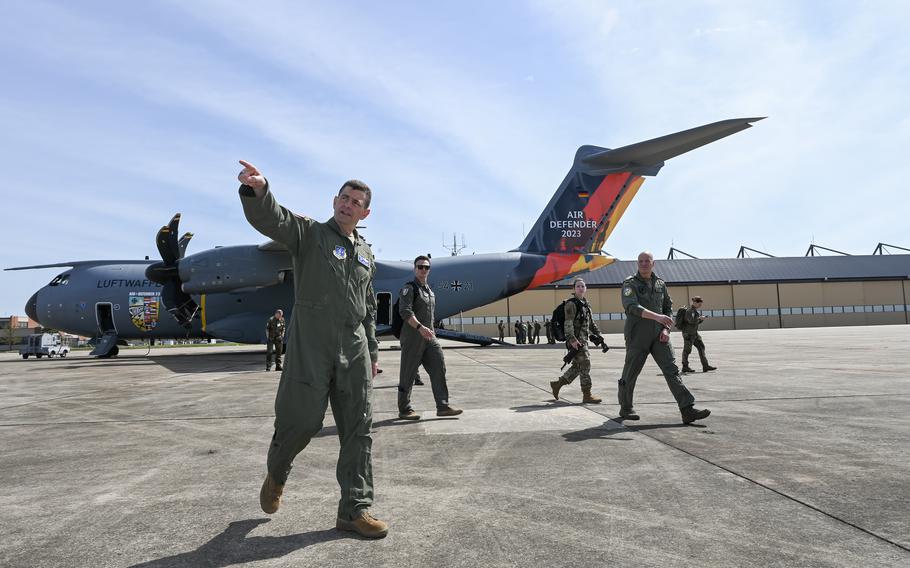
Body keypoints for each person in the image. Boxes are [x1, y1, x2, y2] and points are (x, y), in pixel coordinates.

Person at [238, 160, 388, 539]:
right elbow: (275, 220)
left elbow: (368, 306)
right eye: (344, 198)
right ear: (334, 200)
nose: (348, 205)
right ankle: (278, 471)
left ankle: (355, 509)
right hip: (312, 342)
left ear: (365, 212)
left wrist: (371, 350)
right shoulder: (309, 234)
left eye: (356, 202)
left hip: (353, 345)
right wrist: (259, 191)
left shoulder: (367, 254)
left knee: (359, 427)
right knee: (301, 420)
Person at [616, 252, 710, 424]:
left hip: (660, 335)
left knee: (672, 370)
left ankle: (687, 409)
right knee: (631, 371)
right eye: (641, 261)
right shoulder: (630, 283)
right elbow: (631, 307)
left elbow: (668, 308)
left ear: (653, 264)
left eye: (647, 261)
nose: (644, 264)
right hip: (638, 334)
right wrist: (657, 317)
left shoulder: (660, 283)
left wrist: (666, 329)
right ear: (637, 263)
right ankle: (626, 407)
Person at [397, 255, 463, 420]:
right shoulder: (409, 288)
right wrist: (419, 327)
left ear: (429, 270)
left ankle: (442, 406)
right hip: (413, 337)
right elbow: (405, 311)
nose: (423, 270)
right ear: (415, 268)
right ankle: (404, 409)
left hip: (429, 337)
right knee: (408, 374)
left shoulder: (429, 291)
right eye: (420, 267)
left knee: (439, 368)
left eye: (426, 267)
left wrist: (430, 330)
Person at [550, 278, 603, 404]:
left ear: (585, 288)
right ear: (573, 289)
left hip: (583, 340)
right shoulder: (571, 304)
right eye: (578, 286)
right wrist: (572, 339)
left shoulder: (585, 304)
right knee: (585, 364)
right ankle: (587, 395)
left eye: (582, 286)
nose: (580, 288)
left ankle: (557, 384)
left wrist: (599, 335)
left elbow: (590, 323)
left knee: (578, 366)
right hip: (575, 341)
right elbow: (568, 323)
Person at [681, 296, 717, 374]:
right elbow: (691, 321)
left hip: (694, 333)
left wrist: (701, 320)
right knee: (687, 350)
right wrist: (700, 319)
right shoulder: (690, 311)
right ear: (695, 303)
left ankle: (705, 366)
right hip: (688, 334)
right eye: (699, 304)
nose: (700, 306)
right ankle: (685, 367)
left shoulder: (694, 311)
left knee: (701, 347)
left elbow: (695, 322)